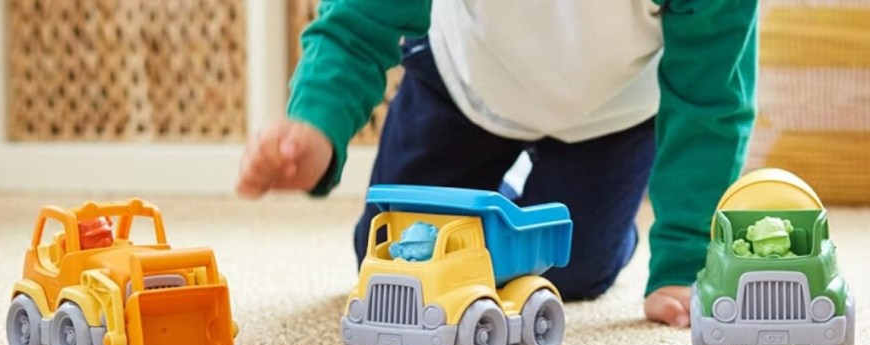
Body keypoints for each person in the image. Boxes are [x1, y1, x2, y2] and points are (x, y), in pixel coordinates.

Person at [236, 0, 758, 327]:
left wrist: (685, 261)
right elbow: (359, 20)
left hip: (611, 111)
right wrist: (317, 125)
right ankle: (509, 195)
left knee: (569, 271)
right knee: (396, 262)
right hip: (467, 85)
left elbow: (710, 101)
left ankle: (604, 224)